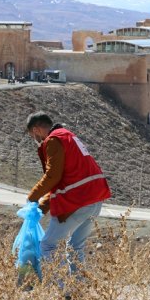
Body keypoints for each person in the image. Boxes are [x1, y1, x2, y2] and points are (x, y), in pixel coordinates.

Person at [25, 111, 111, 277]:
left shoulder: (53, 141)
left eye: (32, 135)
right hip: (95, 201)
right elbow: (66, 180)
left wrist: (32, 198)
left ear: (36, 130)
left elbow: (53, 176)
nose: (34, 140)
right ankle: (78, 292)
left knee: (48, 246)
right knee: (75, 246)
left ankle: (64, 291)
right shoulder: (69, 137)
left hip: (77, 202)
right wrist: (42, 207)